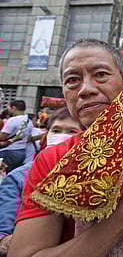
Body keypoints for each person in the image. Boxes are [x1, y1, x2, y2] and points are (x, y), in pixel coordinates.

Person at [8, 39, 123, 257]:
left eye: (101, 75)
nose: (86, 90)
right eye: (73, 80)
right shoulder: (54, 159)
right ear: (64, 94)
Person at [0, 107, 83, 256]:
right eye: (56, 130)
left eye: (72, 132)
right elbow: (4, 232)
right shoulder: (19, 176)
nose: (61, 137)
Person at [0, 100, 34, 173]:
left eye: (9, 108)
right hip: (22, 151)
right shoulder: (29, 121)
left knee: (3, 173)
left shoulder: (13, 120)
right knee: (12, 173)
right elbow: (28, 138)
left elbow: (2, 137)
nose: (9, 110)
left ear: (14, 108)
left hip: (8, 151)